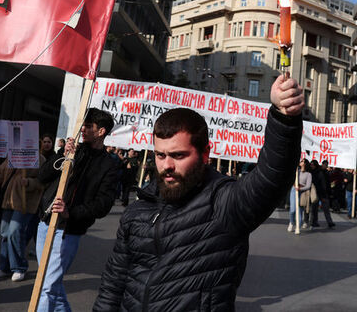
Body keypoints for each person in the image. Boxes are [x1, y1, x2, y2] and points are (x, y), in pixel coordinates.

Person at [93, 74, 304, 310]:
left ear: (205, 154)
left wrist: (283, 120)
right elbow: (113, 284)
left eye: (178, 155)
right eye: (160, 155)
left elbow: (271, 178)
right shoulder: (137, 211)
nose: (167, 165)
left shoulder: (223, 204)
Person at [36, 108, 120, 310]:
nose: (82, 129)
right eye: (83, 124)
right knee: (50, 283)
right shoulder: (74, 150)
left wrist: (70, 213)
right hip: (44, 224)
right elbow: (42, 176)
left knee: (46, 287)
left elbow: (103, 205)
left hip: (68, 231)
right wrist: (63, 155)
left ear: (101, 131)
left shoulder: (109, 165)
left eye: (88, 126)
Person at [0, 155, 45, 282]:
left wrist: (29, 182)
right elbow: (0, 174)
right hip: (9, 200)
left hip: (26, 202)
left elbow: (43, 182)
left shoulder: (40, 159)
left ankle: (19, 267)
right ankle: (5, 267)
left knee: (15, 231)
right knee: (5, 232)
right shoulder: (13, 155)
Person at [310, 160, 335, 229]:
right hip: (317, 192)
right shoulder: (316, 171)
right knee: (314, 208)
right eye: (324, 165)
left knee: (326, 209)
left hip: (324, 193)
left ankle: (329, 222)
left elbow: (327, 183)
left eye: (326, 165)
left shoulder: (325, 172)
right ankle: (314, 222)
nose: (325, 166)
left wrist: (329, 192)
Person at [287, 159, 311, 232]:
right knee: (293, 210)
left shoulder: (308, 174)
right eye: (300, 161)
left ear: (305, 163)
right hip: (294, 190)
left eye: (302, 161)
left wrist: (300, 188)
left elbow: (308, 186)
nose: (300, 162)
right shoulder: (297, 171)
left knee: (299, 210)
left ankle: (298, 226)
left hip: (302, 192)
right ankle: (291, 222)